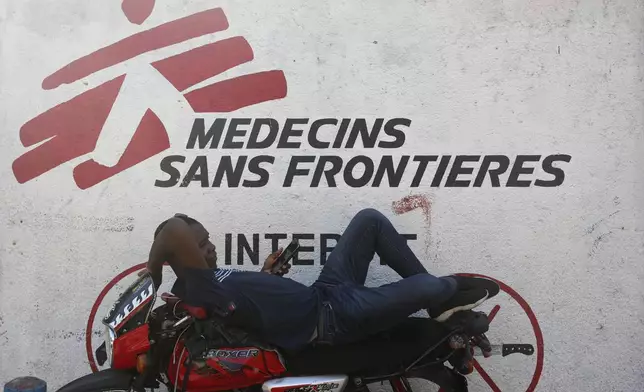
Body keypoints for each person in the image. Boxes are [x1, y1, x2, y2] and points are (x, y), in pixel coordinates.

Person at [145, 208, 499, 352]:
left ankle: (441, 305)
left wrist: (268, 276)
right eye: (199, 245)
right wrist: (155, 262)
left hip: (325, 291)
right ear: (179, 255)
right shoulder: (196, 290)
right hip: (331, 319)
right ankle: (445, 295)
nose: (209, 250)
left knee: (369, 220)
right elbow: (174, 232)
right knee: (432, 285)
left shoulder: (212, 283)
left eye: (208, 241)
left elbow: (248, 310)